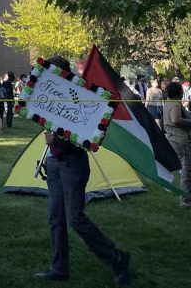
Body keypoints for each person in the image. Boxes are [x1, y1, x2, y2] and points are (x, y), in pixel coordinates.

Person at [34, 57, 130, 284]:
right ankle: (59, 268)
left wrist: (59, 139)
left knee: (75, 218)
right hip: (56, 163)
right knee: (55, 219)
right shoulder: (55, 96)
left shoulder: (79, 98)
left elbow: (85, 137)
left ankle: (117, 258)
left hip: (72, 164)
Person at [163, 81, 191, 207]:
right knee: (188, 171)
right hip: (183, 141)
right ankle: (187, 201)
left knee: (188, 170)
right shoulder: (175, 105)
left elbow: (189, 114)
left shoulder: (169, 103)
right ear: (180, 92)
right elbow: (176, 120)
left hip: (175, 140)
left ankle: (190, 199)